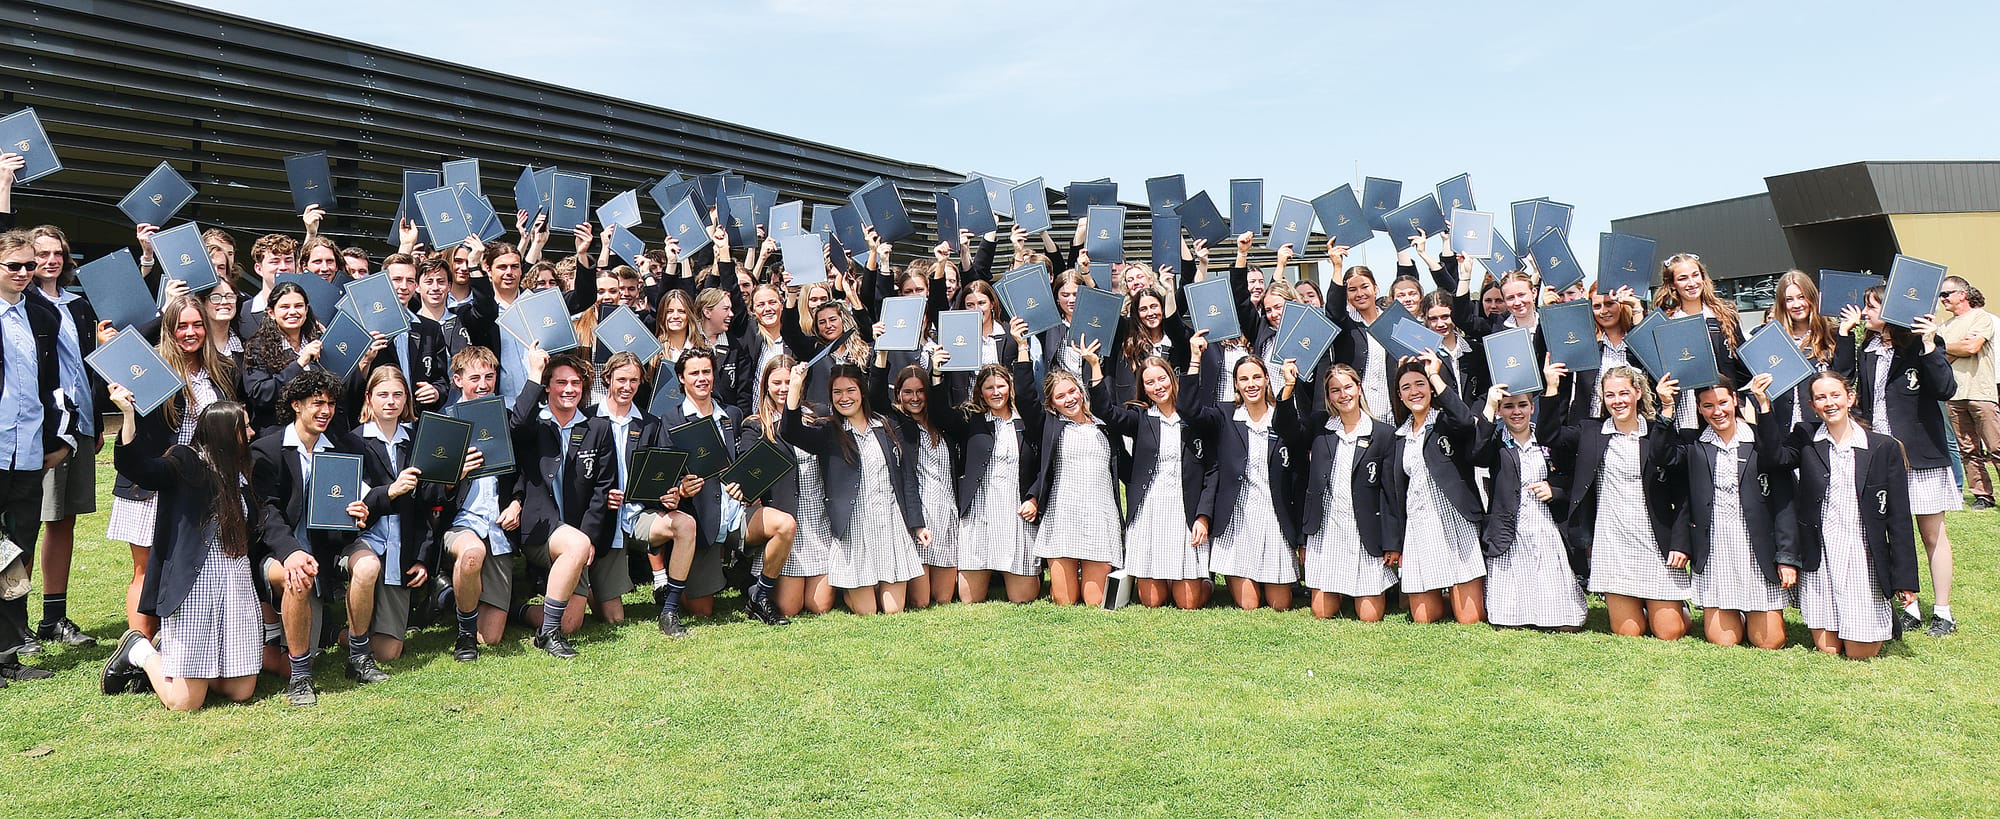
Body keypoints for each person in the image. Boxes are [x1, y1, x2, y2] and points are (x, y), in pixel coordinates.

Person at [98, 391, 264, 709]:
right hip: (196, 590)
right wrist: (128, 416)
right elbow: (140, 468)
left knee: (240, 691)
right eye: (245, 427)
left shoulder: (240, 470)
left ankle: (180, 660)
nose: (252, 432)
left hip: (235, 587)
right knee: (184, 703)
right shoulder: (186, 462)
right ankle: (140, 650)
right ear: (224, 434)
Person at [104, 294, 238, 640]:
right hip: (151, 484)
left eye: (197, 324)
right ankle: (137, 653)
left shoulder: (222, 371)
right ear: (169, 329)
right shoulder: (153, 369)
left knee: (186, 565)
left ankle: (175, 646)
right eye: (182, 326)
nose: (190, 333)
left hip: (201, 487)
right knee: (147, 569)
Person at [1769, 371, 1922, 659]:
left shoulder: (1883, 446)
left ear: (1849, 398)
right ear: (1813, 406)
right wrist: (1764, 407)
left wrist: (1905, 580)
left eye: (1835, 395)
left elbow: (1899, 518)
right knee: (1828, 650)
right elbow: (1775, 458)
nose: (1829, 403)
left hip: (1862, 552)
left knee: (1859, 653)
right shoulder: (1805, 437)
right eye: (1821, 398)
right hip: (1823, 551)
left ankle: (1883, 615)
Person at [251, 369, 377, 705]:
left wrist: (361, 513)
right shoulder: (267, 450)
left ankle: (360, 658)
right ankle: (300, 677)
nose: (325, 411)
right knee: (298, 577)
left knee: (367, 567)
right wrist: (290, 552)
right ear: (296, 404)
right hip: (281, 551)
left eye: (331, 404)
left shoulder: (345, 445)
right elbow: (266, 513)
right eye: (316, 403)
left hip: (331, 546)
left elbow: (361, 496)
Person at [1541, 363, 1688, 640]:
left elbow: (1681, 491)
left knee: (1670, 633)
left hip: (1653, 540)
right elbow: (1549, 436)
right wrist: (1551, 388)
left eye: (1623, 393)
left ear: (1638, 393)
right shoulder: (1591, 431)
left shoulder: (1658, 429)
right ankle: (1640, 607)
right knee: (1628, 633)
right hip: (1613, 542)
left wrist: (1679, 543)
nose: (1617, 401)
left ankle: (1672, 609)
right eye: (1610, 395)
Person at [782, 362, 929, 614]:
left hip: (890, 525)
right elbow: (790, 430)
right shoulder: (828, 432)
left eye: (850, 390)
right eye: (837, 392)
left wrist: (918, 524)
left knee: (894, 610)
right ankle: (851, 594)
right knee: (868, 612)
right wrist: (795, 386)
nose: (844, 397)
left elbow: (906, 479)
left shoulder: (886, 427)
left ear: (862, 392)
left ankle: (864, 588)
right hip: (855, 530)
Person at [1856, 287, 1959, 637]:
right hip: (1882, 453)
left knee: (1932, 534)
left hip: (1920, 453)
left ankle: (1943, 611)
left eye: (1872, 306)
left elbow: (1946, 389)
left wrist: (1930, 345)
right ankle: (1909, 606)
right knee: (1892, 532)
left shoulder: (1922, 343)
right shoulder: (1867, 350)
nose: (1865, 312)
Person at [0, 228, 76, 686]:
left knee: (16, 554)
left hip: (29, 454)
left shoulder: (42, 314)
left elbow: (55, 383)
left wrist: (61, 437)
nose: (25, 273)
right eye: (15, 266)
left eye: (30, 266)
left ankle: (8, 652)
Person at [27, 224, 107, 651]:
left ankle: (53, 618)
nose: (50, 260)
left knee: (64, 521)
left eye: (57, 252)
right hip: (46, 429)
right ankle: (16, 622)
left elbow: (89, 365)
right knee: (31, 522)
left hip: (82, 425)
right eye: (41, 253)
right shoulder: (24, 304)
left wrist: (92, 420)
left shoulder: (78, 305)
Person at [1094, 339, 1218, 611]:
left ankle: (1205, 581)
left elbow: (1212, 470)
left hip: (1185, 509)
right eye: (1149, 383)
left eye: (1161, 379)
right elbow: (1105, 411)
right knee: (1151, 601)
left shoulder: (1196, 419)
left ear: (1173, 380)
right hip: (1150, 507)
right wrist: (1094, 366)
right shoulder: (1141, 418)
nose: (1157, 386)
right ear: (1144, 388)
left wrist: (1203, 516)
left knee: (1188, 603)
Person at [511, 347, 618, 657]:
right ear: (547, 386)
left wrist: (589, 539)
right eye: (560, 382)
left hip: (576, 536)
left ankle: (516, 612)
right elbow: (517, 423)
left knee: (571, 623)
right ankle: (547, 635)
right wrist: (534, 372)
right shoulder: (535, 424)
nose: (569, 389)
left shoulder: (597, 428)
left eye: (575, 383)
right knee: (574, 548)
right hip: (539, 529)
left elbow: (602, 489)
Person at [1683, 378, 1797, 649]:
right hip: (1717, 546)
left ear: (1735, 399)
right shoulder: (1696, 445)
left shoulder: (1760, 441)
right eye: (1708, 405)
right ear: (1699, 409)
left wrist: (1787, 558)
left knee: (1771, 641)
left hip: (1755, 546)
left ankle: (1755, 611)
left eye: (1723, 402)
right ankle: (1712, 610)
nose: (1717, 411)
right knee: (1724, 640)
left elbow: (1784, 503)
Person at [938, 319, 1042, 604]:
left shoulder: (1027, 423)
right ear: (980, 392)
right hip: (980, 509)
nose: (996, 392)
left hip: (1016, 508)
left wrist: (1033, 497)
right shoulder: (972, 421)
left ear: (1010, 388)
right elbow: (939, 412)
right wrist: (937, 373)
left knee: (1023, 598)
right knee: (970, 599)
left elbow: (1044, 465)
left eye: (1001, 386)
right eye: (989, 388)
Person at [1383, 353, 1486, 625]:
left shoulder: (1446, 422)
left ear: (1430, 388)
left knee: (1469, 618)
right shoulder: (1399, 436)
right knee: (1424, 618)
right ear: (1400, 396)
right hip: (1419, 525)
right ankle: (1441, 593)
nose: (1414, 391)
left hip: (1454, 521)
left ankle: (1459, 592)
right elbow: (1394, 493)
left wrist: (1436, 375)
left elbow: (1466, 420)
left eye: (1420, 384)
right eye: (1406, 387)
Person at [1198, 353, 1302, 611]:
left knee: (1280, 604)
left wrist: (1289, 386)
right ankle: (1211, 582)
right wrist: (1192, 360)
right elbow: (1191, 410)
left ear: (1267, 379)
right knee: (1249, 605)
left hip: (1273, 512)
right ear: (1235, 384)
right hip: (1238, 514)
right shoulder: (1225, 415)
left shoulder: (1281, 415)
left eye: (1257, 377)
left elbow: (1294, 433)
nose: (1251, 384)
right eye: (1243, 379)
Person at [1476, 386, 1585, 631]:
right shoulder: (1495, 443)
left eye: (1522, 405)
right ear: (1501, 412)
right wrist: (1490, 408)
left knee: (1565, 622)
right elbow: (1476, 453)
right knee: (1507, 620)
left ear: (1532, 408)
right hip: (1508, 527)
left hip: (1544, 523)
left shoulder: (1549, 440)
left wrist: (1554, 490)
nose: (1516, 412)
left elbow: (1573, 480)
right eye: (1509, 406)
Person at [1298, 364, 1396, 621]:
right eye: (1335, 390)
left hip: (1364, 531)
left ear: (1359, 387)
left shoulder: (1383, 434)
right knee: (1321, 613)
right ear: (1328, 396)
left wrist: (1392, 543)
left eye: (1348, 387)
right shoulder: (1321, 427)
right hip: (1327, 528)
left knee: (1370, 617)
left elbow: (1390, 495)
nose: (1343, 395)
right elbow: (1287, 428)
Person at [1027, 346, 1124, 606]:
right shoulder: (1051, 425)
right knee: (1065, 601)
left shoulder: (1104, 426)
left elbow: (1127, 467)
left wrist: (1094, 365)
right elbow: (1026, 396)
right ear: (1051, 403)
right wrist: (1023, 349)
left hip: (1099, 515)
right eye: (1060, 396)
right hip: (1063, 515)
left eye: (1072, 391)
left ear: (1081, 392)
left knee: (1095, 601)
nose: (1069, 399)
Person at [1937, 276, 1999, 513]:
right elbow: (1940, 357)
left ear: (1962, 294)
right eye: (1941, 296)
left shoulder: (1981, 317)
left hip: (1981, 392)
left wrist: (1944, 345)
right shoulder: (1943, 327)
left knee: (1996, 446)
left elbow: (1971, 347)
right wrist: (1953, 347)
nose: (1942, 300)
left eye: (1946, 294)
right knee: (1968, 449)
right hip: (1954, 394)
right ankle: (1982, 495)